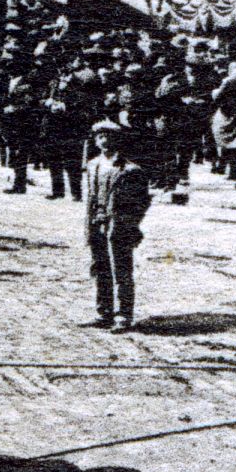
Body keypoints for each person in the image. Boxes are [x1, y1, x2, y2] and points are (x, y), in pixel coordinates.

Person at [83, 122, 152, 332]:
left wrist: (130, 224)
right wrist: (89, 224)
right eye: (100, 136)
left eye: (109, 136)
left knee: (121, 270)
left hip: (119, 225)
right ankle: (104, 312)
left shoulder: (130, 170)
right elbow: (90, 198)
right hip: (97, 222)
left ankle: (124, 314)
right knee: (100, 267)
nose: (104, 140)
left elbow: (142, 201)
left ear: (118, 139)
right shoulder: (93, 164)